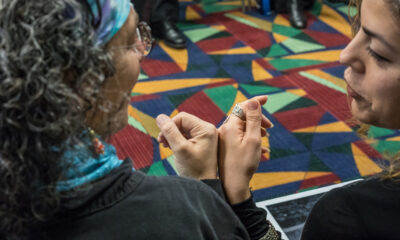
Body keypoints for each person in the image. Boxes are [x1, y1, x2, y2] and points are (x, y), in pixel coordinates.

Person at [0, 0, 278, 239]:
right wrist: (218, 193)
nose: (143, 52)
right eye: (131, 40)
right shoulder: (176, 213)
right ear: (82, 77)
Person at [301, 0, 400, 239]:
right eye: (358, 28)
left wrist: (239, 205)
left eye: (377, 52)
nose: (345, 55)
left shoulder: (346, 217)